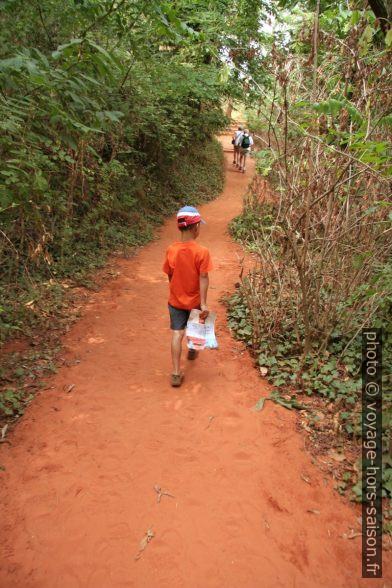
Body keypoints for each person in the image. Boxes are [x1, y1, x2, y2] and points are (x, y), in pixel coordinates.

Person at [163, 206, 213, 388]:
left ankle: (176, 373)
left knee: (177, 333)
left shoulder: (171, 250)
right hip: (194, 301)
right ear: (195, 227)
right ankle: (192, 348)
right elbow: (204, 277)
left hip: (175, 300)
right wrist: (204, 303)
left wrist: (176, 289)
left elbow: (169, 274)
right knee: (195, 325)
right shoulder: (202, 252)